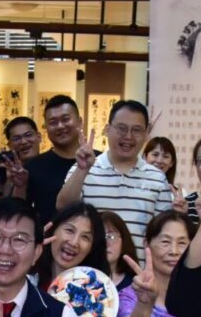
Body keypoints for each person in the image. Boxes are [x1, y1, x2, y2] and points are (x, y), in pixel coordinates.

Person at [62, 101, 174, 236]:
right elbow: (63, 208)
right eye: (122, 128)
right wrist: (82, 170)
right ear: (107, 129)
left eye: (136, 130)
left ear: (146, 134)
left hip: (138, 258)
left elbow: (164, 233)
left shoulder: (157, 179)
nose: (128, 136)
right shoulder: (82, 168)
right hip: (94, 257)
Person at [24, 96, 87, 223]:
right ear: (46, 127)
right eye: (52, 122)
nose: (60, 126)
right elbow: (23, 213)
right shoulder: (34, 167)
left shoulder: (99, 161)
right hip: (48, 240)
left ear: (80, 122)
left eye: (65, 119)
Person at [99, 210, 140, 285]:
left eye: (111, 236)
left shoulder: (136, 283)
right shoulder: (78, 277)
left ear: (124, 241)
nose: (105, 243)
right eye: (99, 236)